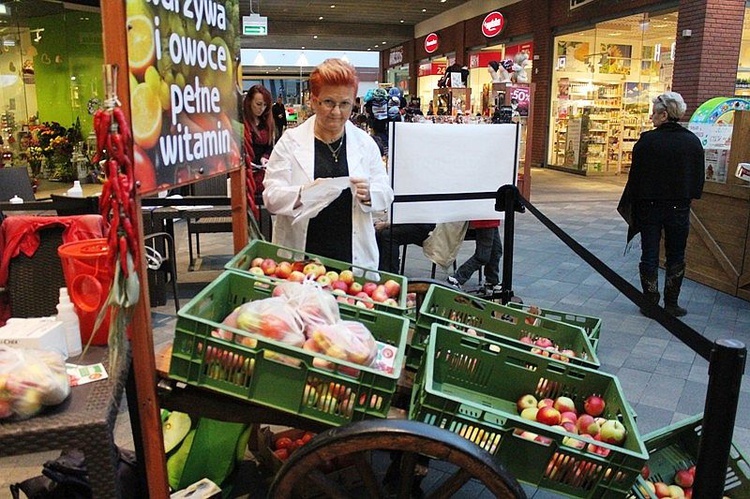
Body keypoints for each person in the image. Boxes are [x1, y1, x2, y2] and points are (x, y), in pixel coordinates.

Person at [263, 58, 394, 270]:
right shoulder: (290, 142)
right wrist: (302, 194)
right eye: (328, 102)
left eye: (344, 104)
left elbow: (386, 193)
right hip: (302, 257)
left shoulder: (365, 144)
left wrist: (370, 193)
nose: (336, 112)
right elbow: (271, 197)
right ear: (313, 102)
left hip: (352, 257)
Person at [622, 91, 704, 317]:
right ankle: (672, 302)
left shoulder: (647, 141)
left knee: (649, 253)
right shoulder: (692, 142)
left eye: (654, 113)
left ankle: (650, 301)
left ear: (664, 114)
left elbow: (635, 178)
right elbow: (698, 181)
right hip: (679, 208)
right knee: (676, 254)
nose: (651, 117)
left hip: (650, 207)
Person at [243, 85, 274, 219]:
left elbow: (270, 146)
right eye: (258, 104)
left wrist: (266, 157)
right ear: (249, 102)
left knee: (264, 215)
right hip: (244, 176)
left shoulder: (266, 122)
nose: (262, 108)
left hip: (262, 176)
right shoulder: (241, 122)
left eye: (265, 105)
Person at [447, 220, 503, 292]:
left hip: (491, 220)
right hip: (485, 221)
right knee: (482, 256)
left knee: (495, 251)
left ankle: (492, 280)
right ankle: (457, 278)